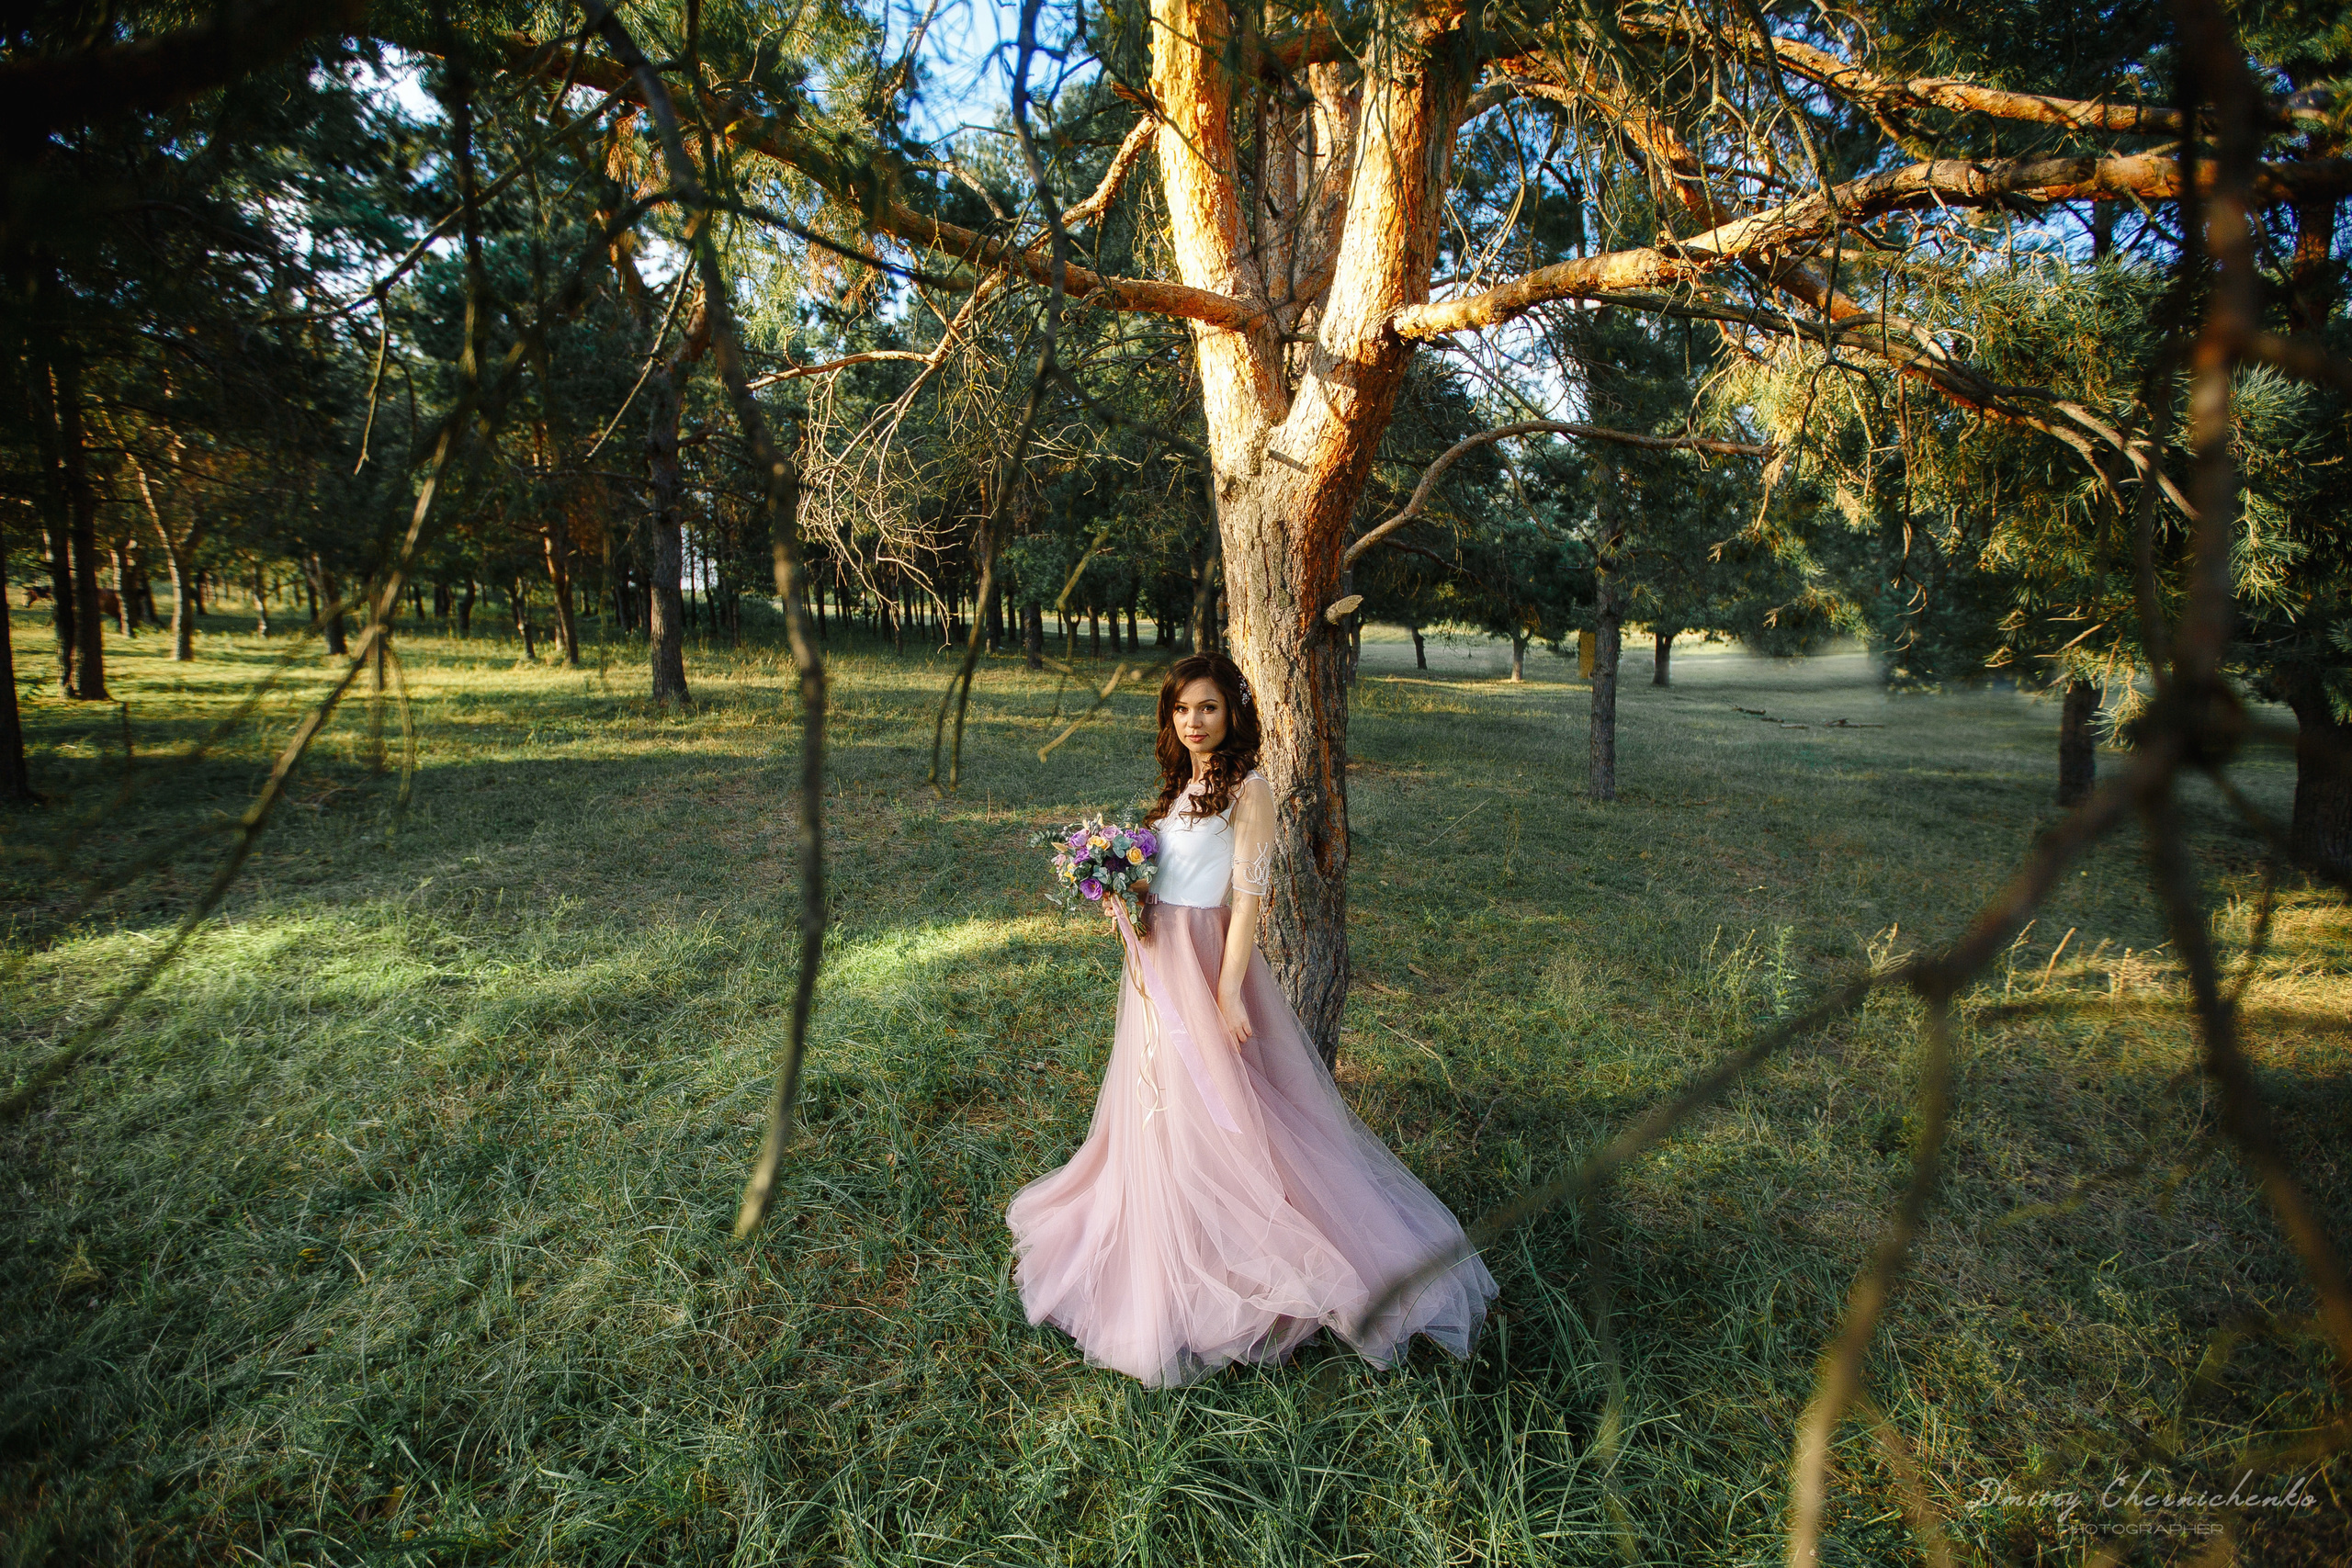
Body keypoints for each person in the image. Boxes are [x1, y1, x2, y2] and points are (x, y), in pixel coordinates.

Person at [1006, 651, 1498, 1387]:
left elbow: (1249, 898)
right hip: (1156, 957)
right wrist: (1117, 890)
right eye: (1181, 710)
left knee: (1224, 1104)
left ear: (1231, 711)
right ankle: (1169, 1224)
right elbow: (1163, 876)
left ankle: (1259, 1249)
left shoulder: (1250, 789)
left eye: (1207, 707)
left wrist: (1230, 988)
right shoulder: (1184, 786)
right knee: (1161, 1102)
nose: (1194, 722)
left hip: (1207, 960)